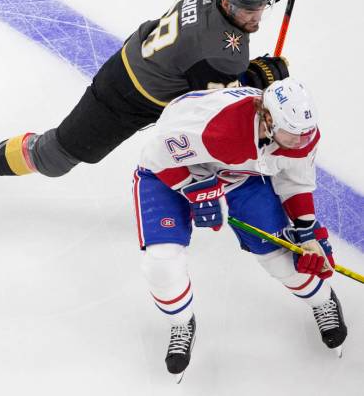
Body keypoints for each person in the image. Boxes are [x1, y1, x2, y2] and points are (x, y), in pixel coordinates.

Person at [0, 0, 313, 217]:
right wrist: (261, 74)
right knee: (54, 158)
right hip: (126, 96)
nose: (257, 17)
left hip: (155, 67)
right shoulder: (220, 54)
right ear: (227, 3)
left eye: (262, 6)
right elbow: (210, 105)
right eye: (249, 11)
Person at [133, 77, 347, 379]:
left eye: (305, 134)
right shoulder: (217, 128)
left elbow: (295, 181)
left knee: (280, 256)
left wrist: (307, 232)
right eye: (292, 135)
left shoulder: (298, 134)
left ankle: (323, 300)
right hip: (170, 170)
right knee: (161, 264)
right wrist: (194, 189)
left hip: (238, 173)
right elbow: (157, 155)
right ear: (268, 118)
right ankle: (181, 322)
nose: (300, 143)